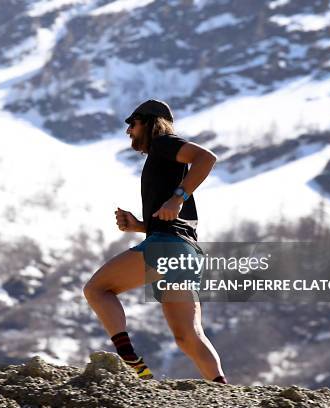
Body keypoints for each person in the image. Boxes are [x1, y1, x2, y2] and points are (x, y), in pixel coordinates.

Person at [83, 99, 228, 383]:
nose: (128, 131)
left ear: (149, 122)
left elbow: (207, 158)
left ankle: (132, 364)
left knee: (97, 289)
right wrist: (140, 225)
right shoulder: (163, 158)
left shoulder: (164, 143)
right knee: (188, 336)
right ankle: (223, 392)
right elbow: (174, 220)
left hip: (167, 245)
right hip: (187, 252)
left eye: (132, 123)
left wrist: (178, 198)